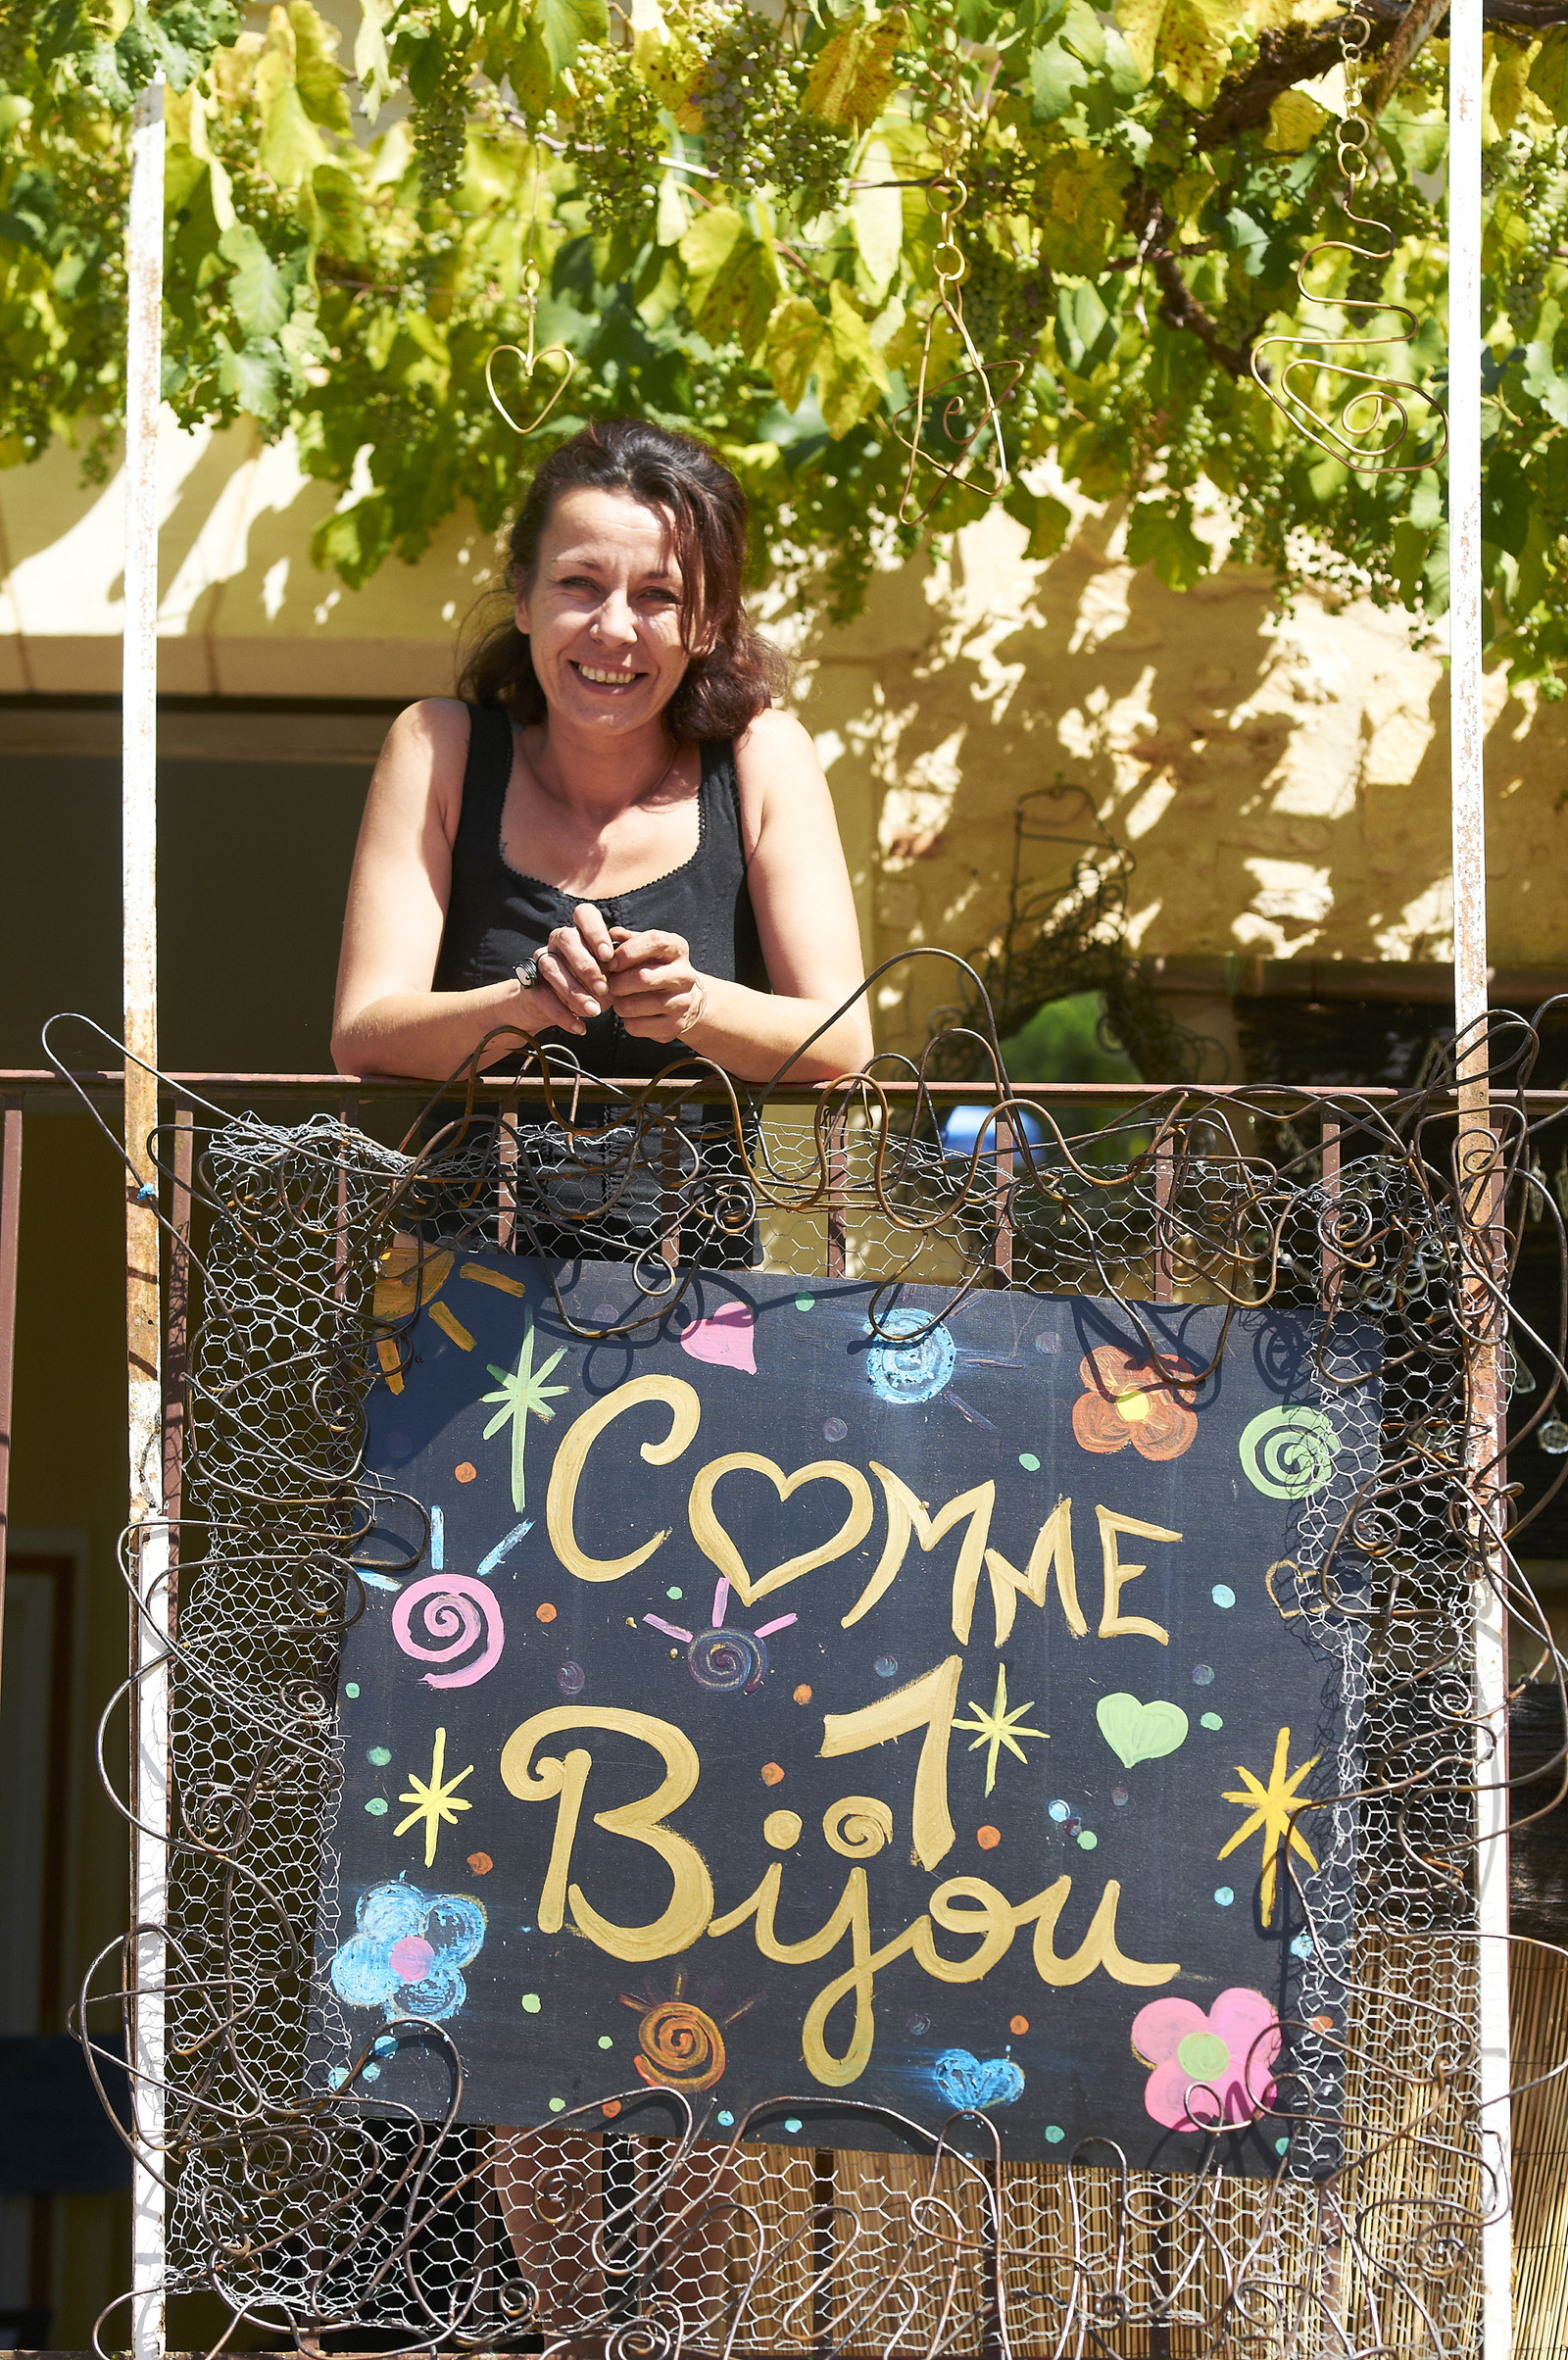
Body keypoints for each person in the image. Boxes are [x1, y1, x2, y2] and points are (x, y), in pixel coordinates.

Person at [330, 418, 871, 1091]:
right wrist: (522, 1004)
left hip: (697, 1171)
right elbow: (362, 1035)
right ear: (523, 596)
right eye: (579, 583)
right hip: (478, 1168)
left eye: (658, 595)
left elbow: (845, 1043)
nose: (613, 628)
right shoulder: (437, 747)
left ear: (707, 622)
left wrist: (699, 1006)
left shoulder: (765, 757)